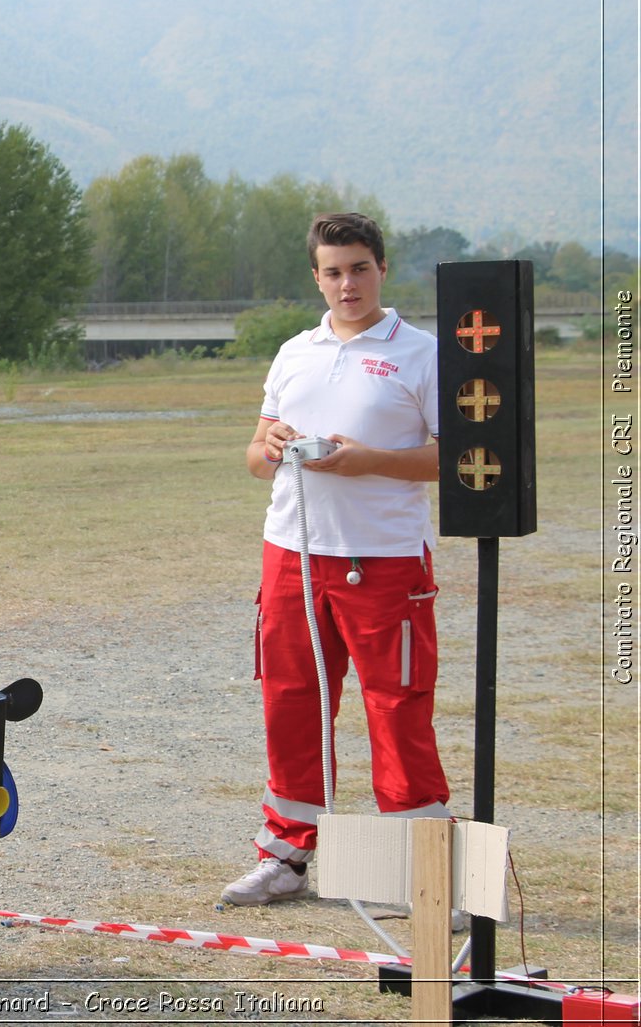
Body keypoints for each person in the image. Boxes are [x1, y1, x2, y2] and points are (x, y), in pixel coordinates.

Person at [223, 212, 452, 908]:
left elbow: (458, 458)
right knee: (290, 702)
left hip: (382, 559)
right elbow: (256, 454)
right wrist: (271, 449)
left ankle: (419, 875)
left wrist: (366, 462)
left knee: (396, 707)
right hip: (292, 554)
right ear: (316, 276)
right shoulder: (296, 350)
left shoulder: (423, 352)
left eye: (358, 267)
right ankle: (286, 855)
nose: (346, 283)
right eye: (332, 270)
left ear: (382, 268)